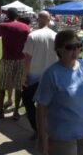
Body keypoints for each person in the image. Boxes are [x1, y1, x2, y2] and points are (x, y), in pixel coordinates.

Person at [36, 30, 83, 155]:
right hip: (62, 138)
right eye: (70, 47)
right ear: (59, 49)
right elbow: (41, 109)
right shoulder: (51, 74)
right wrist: (42, 139)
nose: (75, 50)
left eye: (78, 46)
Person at [22, 11, 58, 139]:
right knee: (48, 105)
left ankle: (37, 129)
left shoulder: (33, 36)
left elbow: (27, 58)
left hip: (34, 75)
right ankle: (48, 129)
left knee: (28, 102)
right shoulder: (56, 36)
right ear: (49, 20)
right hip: (50, 75)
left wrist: (24, 75)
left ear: (38, 20)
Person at [0, 7, 30, 120]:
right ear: (17, 15)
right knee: (19, 86)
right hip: (21, 59)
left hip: (7, 59)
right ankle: (16, 112)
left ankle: (0, 111)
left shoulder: (3, 26)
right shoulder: (25, 27)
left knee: (2, 85)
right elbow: (29, 41)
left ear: (7, 15)